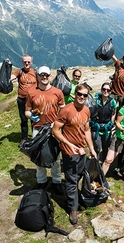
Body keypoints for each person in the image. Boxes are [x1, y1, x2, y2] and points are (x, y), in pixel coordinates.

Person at [52, 84, 97, 225]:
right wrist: (69, 144)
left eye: (85, 95)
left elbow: (87, 130)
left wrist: (92, 148)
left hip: (82, 150)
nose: (82, 97)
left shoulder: (86, 111)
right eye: (79, 94)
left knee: (78, 176)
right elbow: (55, 130)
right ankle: (73, 208)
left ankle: (72, 198)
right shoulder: (66, 110)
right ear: (75, 93)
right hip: (69, 152)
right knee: (71, 180)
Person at [24, 66, 65, 195]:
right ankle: (41, 181)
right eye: (42, 75)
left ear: (50, 76)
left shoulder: (57, 92)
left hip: (53, 128)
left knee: (56, 157)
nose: (44, 77)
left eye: (46, 75)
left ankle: (56, 181)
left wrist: (58, 122)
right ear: (38, 76)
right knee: (39, 156)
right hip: (38, 128)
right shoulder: (31, 93)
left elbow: (62, 109)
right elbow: (26, 111)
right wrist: (32, 116)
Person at [10, 55, 37, 147]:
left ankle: (35, 138)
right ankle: (24, 138)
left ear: (31, 63)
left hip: (33, 100)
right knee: (23, 120)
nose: (26, 63)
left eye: (28, 62)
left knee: (34, 119)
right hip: (21, 99)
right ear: (22, 62)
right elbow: (12, 77)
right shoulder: (19, 71)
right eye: (25, 62)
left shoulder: (35, 72)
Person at [90, 82, 117, 162]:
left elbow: (114, 112)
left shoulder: (113, 102)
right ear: (101, 90)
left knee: (106, 148)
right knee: (97, 148)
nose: (106, 91)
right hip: (96, 128)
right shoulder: (95, 100)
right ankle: (95, 165)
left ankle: (103, 167)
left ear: (110, 92)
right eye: (104, 89)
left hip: (107, 128)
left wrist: (112, 122)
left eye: (108, 90)